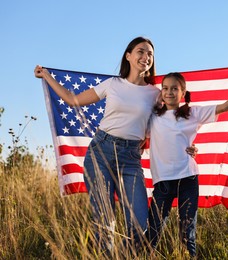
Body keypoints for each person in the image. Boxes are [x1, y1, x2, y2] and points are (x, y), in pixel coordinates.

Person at [34, 37, 160, 255]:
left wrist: (188, 146)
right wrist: (46, 75)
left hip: (131, 159)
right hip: (101, 151)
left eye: (150, 54)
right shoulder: (113, 84)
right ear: (128, 56)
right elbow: (73, 100)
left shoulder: (155, 94)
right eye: (141, 51)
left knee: (139, 225)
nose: (145, 57)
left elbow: (168, 124)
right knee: (104, 221)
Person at [146, 68, 228, 257]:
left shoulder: (192, 113)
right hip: (163, 182)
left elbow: (224, 107)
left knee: (187, 232)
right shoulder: (153, 116)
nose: (169, 92)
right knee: (153, 230)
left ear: (183, 92)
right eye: (165, 88)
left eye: (174, 89)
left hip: (188, 179)